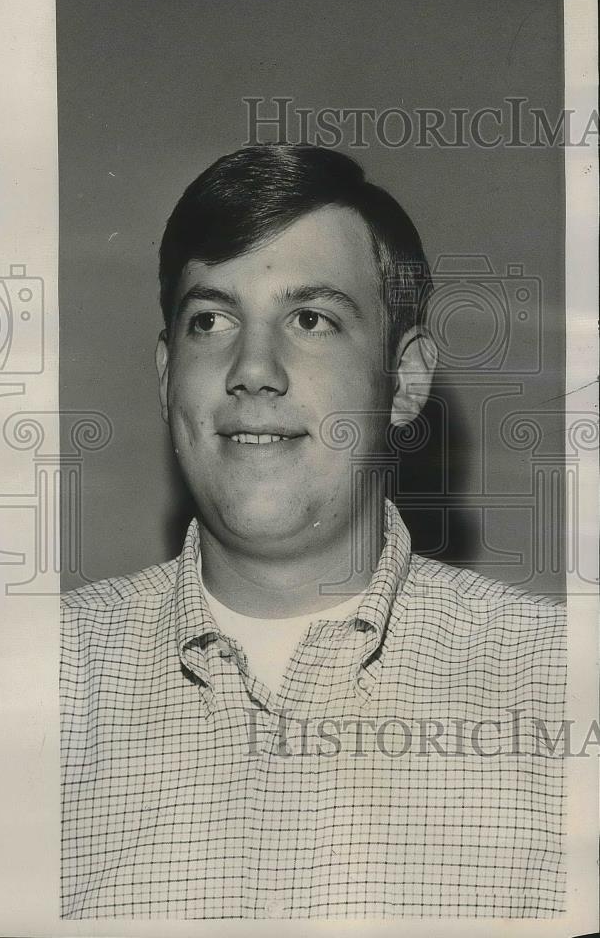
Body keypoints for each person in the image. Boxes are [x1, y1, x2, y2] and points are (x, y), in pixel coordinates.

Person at [60, 145, 566, 920]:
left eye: (311, 319)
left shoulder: (562, 686)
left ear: (404, 382)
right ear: (167, 377)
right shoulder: (22, 682)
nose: (253, 368)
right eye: (210, 320)